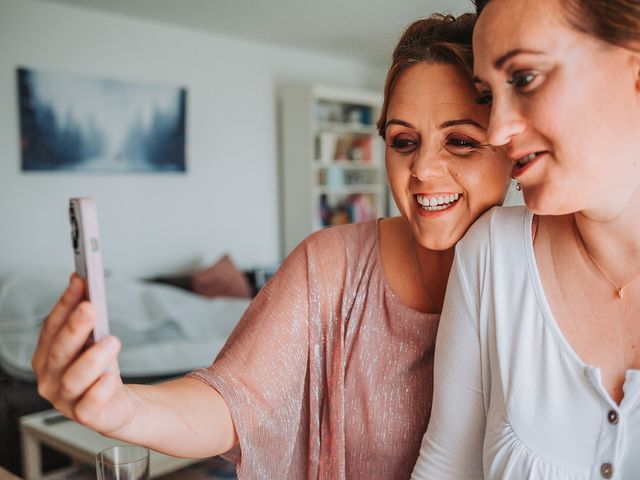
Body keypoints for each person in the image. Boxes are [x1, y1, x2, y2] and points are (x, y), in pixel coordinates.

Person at [32, 13, 512, 480]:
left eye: (462, 142)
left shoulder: (542, 270)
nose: (423, 170)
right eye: (403, 140)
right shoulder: (332, 263)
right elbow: (232, 399)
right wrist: (122, 408)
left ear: (512, 145)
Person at [411, 0, 640, 478]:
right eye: (489, 95)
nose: (496, 131)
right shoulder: (492, 255)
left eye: (524, 78)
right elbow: (446, 467)